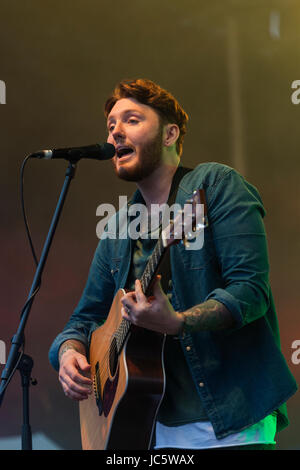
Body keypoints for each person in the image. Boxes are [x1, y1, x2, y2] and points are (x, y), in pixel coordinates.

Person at [49, 78, 297, 450]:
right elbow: (84, 320)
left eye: (131, 120)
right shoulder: (117, 227)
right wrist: (68, 352)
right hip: (149, 430)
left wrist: (178, 322)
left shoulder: (215, 185)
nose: (116, 131)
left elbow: (250, 291)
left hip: (230, 424)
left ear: (169, 134)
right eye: (111, 125)